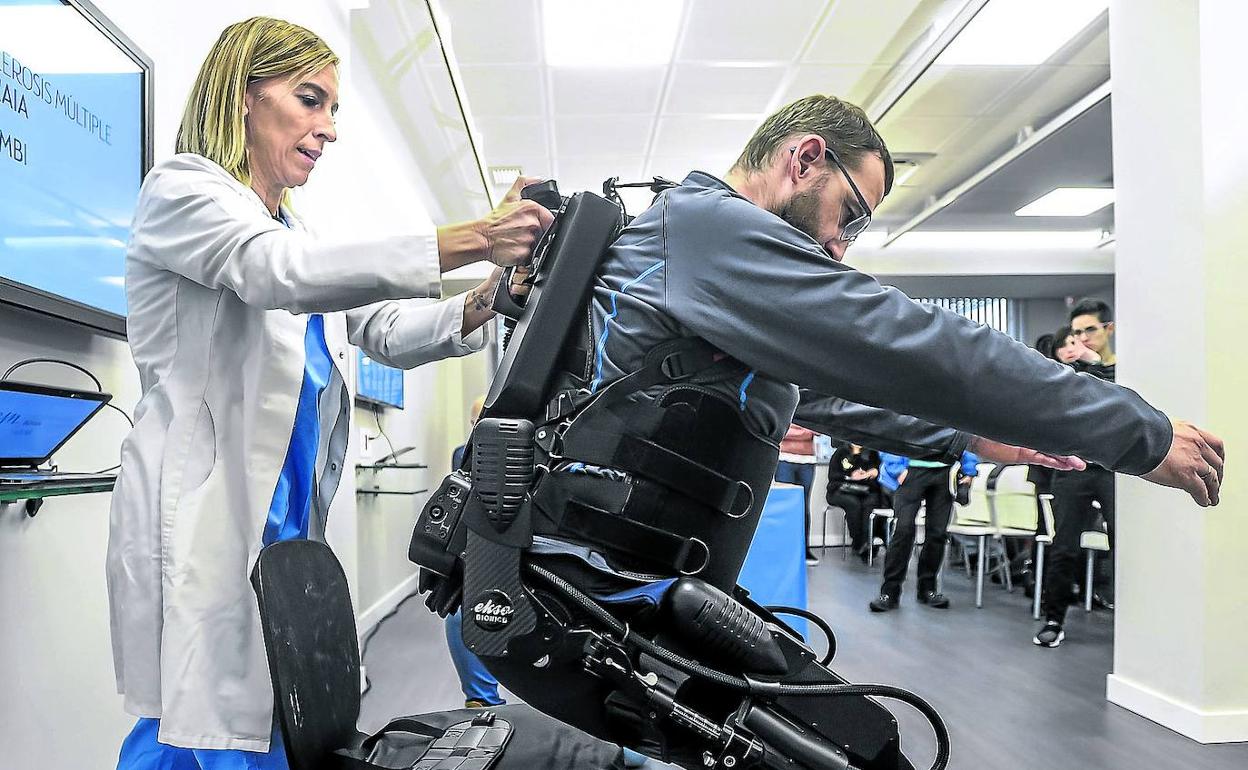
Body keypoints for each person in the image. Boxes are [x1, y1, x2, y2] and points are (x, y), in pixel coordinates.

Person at [477, 94, 1225, 757]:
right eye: (851, 216)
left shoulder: (689, 239)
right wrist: (1137, 431)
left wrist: (963, 438)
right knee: (860, 748)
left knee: (852, 735)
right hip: (580, 588)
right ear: (805, 158)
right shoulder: (712, 230)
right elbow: (924, 348)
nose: (842, 246)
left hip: (591, 581)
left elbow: (813, 395)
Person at [108, 17, 554, 767]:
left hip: (283, 534)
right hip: (204, 528)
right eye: (310, 101)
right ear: (245, 96)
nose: (329, 129)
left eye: (335, 110)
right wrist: (478, 234)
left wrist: (494, 294)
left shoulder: (289, 227)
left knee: (258, 719)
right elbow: (273, 272)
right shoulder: (183, 192)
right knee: (199, 725)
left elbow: (381, 328)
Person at [1034, 301, 1121, 648]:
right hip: (1076, 469)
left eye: (1090, 330)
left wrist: (1098, 366)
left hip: (1115, 470)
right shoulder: (1068, 373)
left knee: (1125, 546)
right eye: (1077, 332)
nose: (1083, 339)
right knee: (1063, 546)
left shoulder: (1126, 369)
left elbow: (1118, 401)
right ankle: (1053, 620)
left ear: (1108, 330)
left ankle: (1130, 620)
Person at [869, 451, 978, 611]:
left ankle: (928, 589)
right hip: (911, 470)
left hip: (943, 471)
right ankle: (889, 592)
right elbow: (892, 432)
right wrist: (897, 469)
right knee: (903, 531)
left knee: (938, 534)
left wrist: (969, 469)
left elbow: (963, 434)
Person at [824, 443, 885, 562]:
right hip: (841, 490)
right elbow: (834, 476)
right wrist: (850, 476)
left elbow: (878, 472)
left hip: (866, 490)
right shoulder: (841, 453)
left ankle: (868, 540)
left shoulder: (872, 453)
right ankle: (859, 542)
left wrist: (870, 473)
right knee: (853, 504)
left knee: (871, 503)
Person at [775, 423, 821, 564]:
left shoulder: (812, 405)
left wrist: (792, 431)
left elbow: (817, 430)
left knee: (803, 505)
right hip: (784, 459)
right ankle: (783, 549)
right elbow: (780, 430)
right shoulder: (786, 401)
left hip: (807, 461)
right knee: (785, 505)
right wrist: (803, 432)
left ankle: (804, 550)